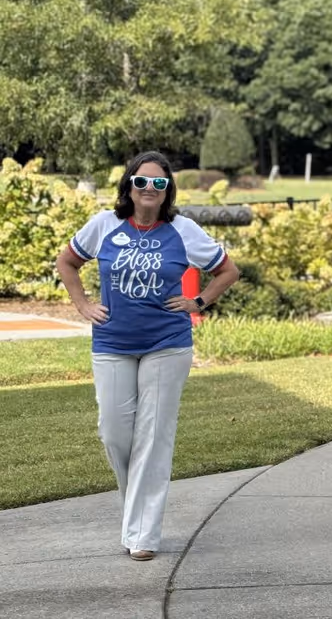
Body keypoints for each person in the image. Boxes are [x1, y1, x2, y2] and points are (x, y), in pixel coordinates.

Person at [55, 151, 239, 561]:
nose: (150, 190)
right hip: (112, 344)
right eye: (142, 182)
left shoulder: (182, 229)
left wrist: (199, 301)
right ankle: (135, 513)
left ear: (168, 189)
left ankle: (143, 536)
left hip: (167, 345)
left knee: (154, 438)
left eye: (159, 183)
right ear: (129, 186)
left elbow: (227, 270)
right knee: (114, 432)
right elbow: (67, 261)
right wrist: (83, 303)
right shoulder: (104, 225)